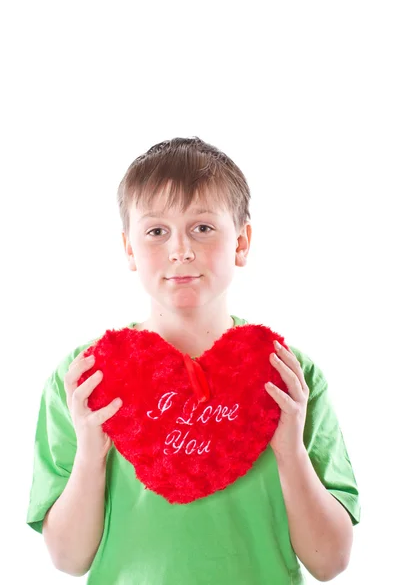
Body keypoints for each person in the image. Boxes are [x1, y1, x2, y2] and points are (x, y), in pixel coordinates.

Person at [26, 136, 360, 584]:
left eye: (202, 228)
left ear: (241, 242)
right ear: (129, 249)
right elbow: (68, 559)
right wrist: (90, 454)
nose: (180, 249)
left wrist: (289, 450)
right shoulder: (88, 377)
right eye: (156, 231)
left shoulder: (287, 374)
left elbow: (330, 561)